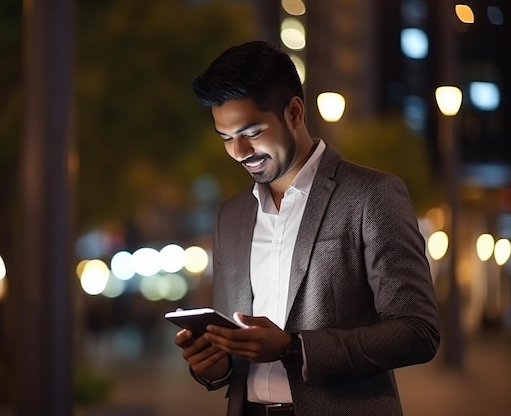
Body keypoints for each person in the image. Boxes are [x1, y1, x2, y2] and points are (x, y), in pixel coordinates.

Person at [173, 40, 440, 416]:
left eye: (251, 132)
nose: (239, 152)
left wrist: (291, 348)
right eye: (227, 138)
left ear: (294, 112)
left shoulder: (372, 195)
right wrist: (214, 366)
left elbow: (418, 331)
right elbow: (235, 355)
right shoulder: (231, 216)